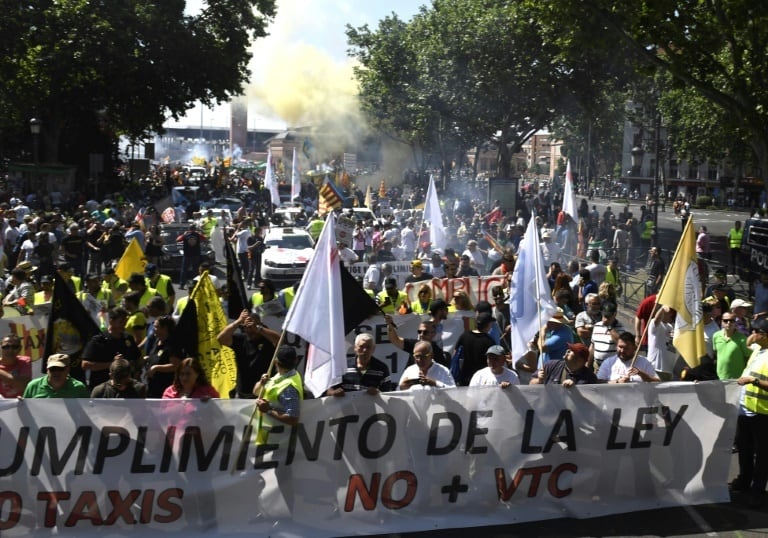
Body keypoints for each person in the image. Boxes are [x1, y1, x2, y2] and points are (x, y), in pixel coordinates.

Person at [735, 318, 768, 507]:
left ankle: (758, 488)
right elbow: (748, 344)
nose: (752, 334)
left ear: (765, 335)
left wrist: (753, 381)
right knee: (744, 449)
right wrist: (752, 339)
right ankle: (744, 481)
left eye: (756, 331)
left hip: (763, 413)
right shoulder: (758, 349)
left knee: (762, 454)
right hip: (745, 409)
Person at [218, 309, 280, 399]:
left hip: (264, 392)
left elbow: (280, 340)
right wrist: (238, 321)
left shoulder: (267, 339)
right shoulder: (240, 339)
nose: (251, 330)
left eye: (254, 326)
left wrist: (259, 329)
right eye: (247, 327)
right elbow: (221, 338)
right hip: (243, 393)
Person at [81, 307, 141, 391]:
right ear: (111, 321)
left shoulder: (128, 338)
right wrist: (112, 364)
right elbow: (85, 365)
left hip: (126, 388)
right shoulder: (99, 340)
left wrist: (136, 374)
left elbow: (137, 358)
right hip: (103, 388)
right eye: (121, 322)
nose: (124, 325)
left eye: (125, 322)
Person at [253, 345, 303, 444]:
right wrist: (261, 383)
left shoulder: (289, 387)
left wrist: (268, 410)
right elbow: (255, 392)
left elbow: (293, 418)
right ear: (296, 360)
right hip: (268, 437)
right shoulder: (282, 375)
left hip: (278, 442)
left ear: (275, 362)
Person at [325, 333, 393, 396]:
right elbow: (329, 389)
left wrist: (378, 393)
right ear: (355, 348)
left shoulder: (382, 368)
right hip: (346, 408)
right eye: (361, 346)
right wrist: (334, 393)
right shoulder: (343, 366)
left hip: (371, 408)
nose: (364, 350)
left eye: (368, 347)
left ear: (373, 349)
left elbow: (387, 395)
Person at [144, 315, 183, 398]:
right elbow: (157, 356)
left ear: (164, 328)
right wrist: (147, 358)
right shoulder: (157, 340)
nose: (153, 329)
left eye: (156, 327)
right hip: (152, 385)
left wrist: (156, 368)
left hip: (164, 386)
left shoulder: (172, 344)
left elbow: (175, 365)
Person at [455, 312, 497, 386]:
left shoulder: (464, 335)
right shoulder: (489, 341)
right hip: (481, 380)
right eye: (491, 324)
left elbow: (455, 354)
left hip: (464, 378)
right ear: (487, 325)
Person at [22, 353, 89, 398]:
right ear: (47, 369)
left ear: (68, 369)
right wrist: (20, 403)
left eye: (60, 369)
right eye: (52, 369)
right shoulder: (33, 386)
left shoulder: (79, 388)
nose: (56, 372)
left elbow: (88, 410)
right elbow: (25, 409)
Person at [533, 342, 598, 386]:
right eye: (569, 349)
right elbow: (530, 385)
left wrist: (575, 390)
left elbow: (593, 399)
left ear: (580, 360)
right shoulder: (551, 365)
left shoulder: (589, 377)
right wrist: (539, 380)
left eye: (572, 350)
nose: (568, 350)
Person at [713, 310, 752, 380]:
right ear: (721, 322)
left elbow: (749, 357)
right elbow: (716, 353)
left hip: (737, 378)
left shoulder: (742, 338)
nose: (728, 323)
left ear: (735, 322)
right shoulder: (716, 336)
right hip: (719, 377)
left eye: (732, 320)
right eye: (725, 320)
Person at [589, 301, 624, 372]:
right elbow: (592, 346)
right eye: (604, 316)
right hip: (597, 366)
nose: (605, 319)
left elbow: (620, 343)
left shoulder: (620, 327)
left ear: (614, 314)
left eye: (608, 316)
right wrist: (588, 363)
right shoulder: (597, 326)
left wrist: (609, 327)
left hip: (612, 367)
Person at [647, 305, 677, 381]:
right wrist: (662, 309)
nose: (672, 315)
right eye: (670, 312)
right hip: (656, 368)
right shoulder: (654, 324)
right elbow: (657, 319)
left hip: (668, 369)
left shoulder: (670, 326)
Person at [177, 223, 206, 288]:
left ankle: (182, 284)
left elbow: (178, 239)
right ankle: (195, 284)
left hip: (187, 254)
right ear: (195, 229)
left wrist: (183, 234)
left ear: (189, 228)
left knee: (184, 270)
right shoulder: (198, 235)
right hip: (195, 254)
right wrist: (199, 233)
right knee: (195, 270)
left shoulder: (186, 235)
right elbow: (204, 238)